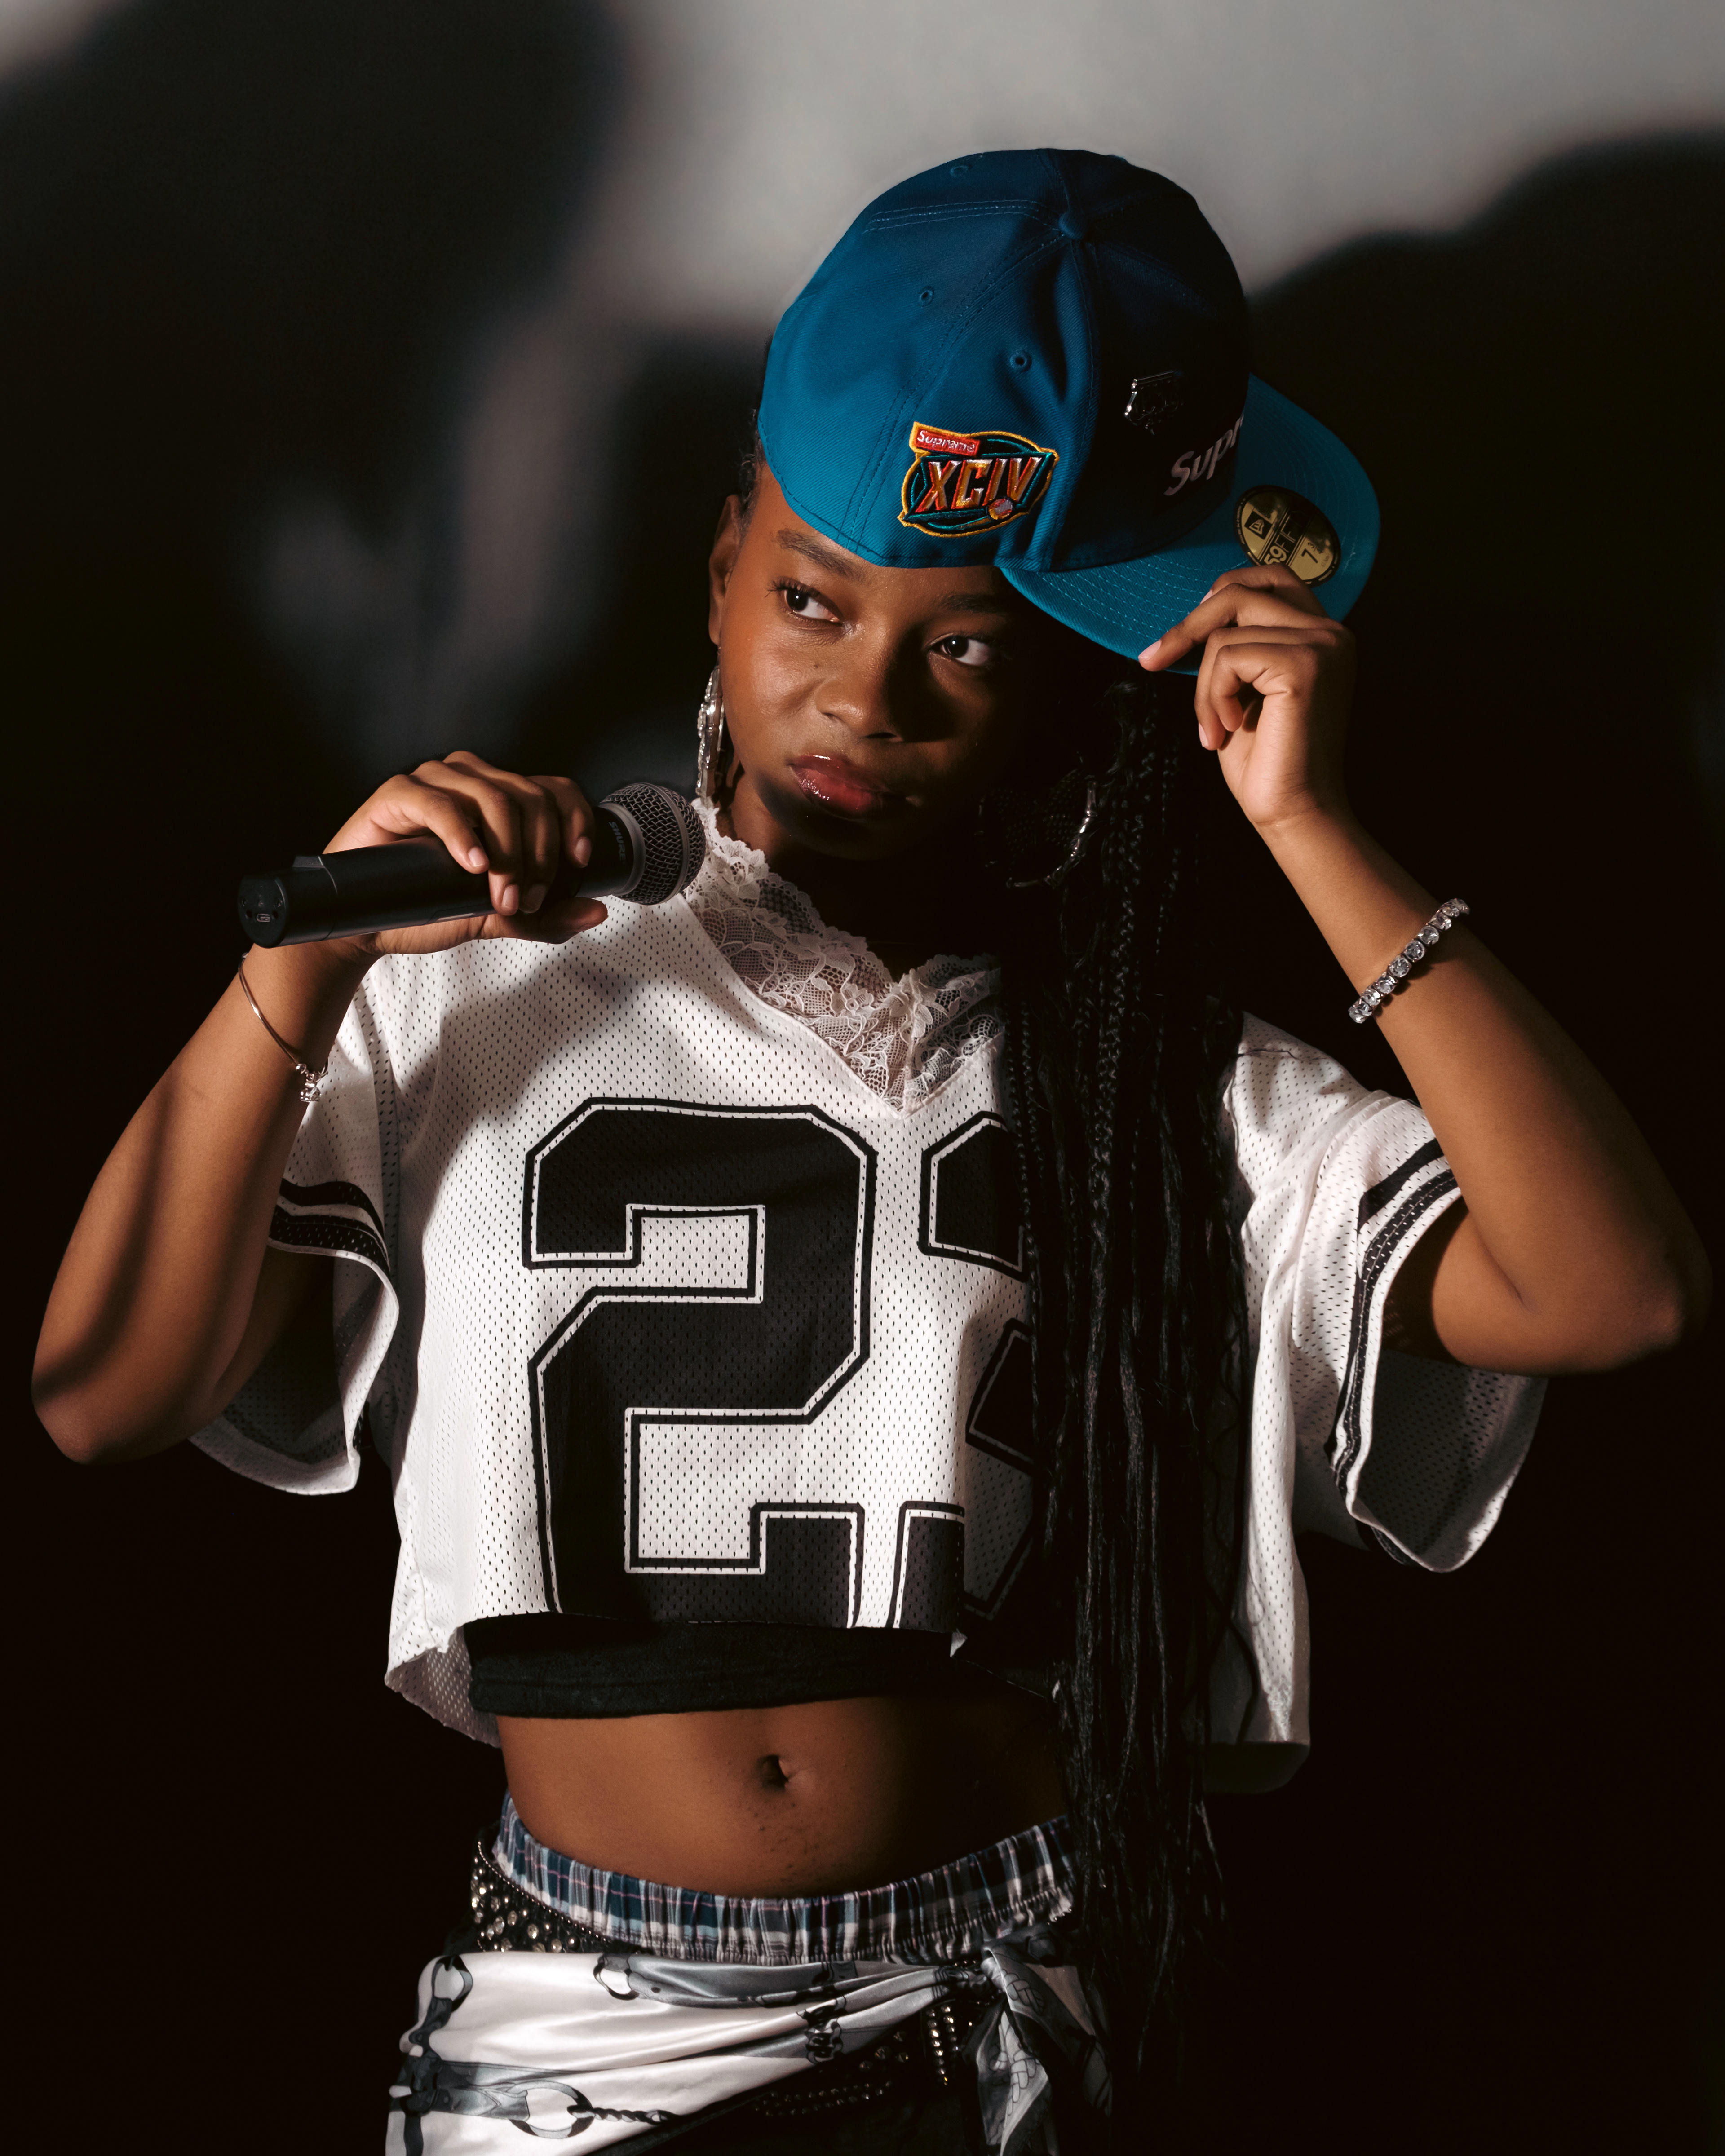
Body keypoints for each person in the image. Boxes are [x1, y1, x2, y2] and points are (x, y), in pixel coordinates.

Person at [33, 150, 1708, 2153]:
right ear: (720, 562)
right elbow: (103, 1396)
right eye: (810, 599)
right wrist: (301, 971)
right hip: (581, 2019)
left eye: (968, 646)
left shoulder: (1154, 1071)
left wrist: (1311, 829)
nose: (860, 697)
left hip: (1002, 2008)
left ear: (1085, 676)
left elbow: (1615, 1291)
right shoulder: (465, 969)